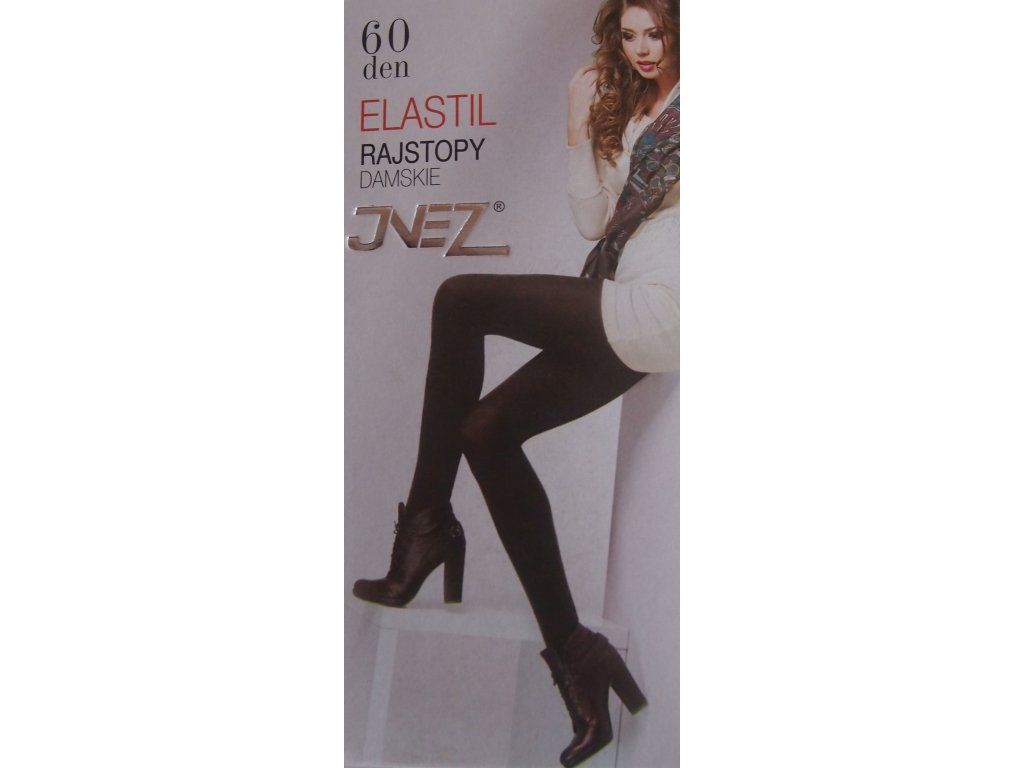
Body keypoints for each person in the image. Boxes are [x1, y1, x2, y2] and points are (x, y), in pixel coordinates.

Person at [351, 1, 679, 765]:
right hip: (621, 301)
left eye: (658, 33)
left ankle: (427, 527)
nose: (643, 49)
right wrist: (576, 121)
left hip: (668, 303)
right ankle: (576, 655)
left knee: (460, 298)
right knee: (485, 431)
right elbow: (594, 223)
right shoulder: (637, 113)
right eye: (629, 35)